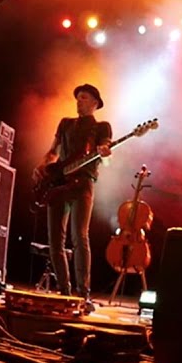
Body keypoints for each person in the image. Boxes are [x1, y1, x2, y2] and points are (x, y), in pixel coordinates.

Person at [34, 83, 112, 302]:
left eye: (84, 98)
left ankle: (83, 293)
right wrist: (41, 167)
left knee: (80, 236)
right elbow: (53, 151)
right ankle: (64, 291)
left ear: (95, 103)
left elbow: (105, 151)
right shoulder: (65, 123)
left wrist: (105, 153)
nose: (79, 101)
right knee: (55, 241)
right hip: (58, 183)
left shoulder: (102, 127)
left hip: (83, 184)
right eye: (78, 97)